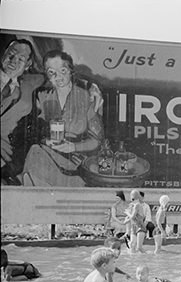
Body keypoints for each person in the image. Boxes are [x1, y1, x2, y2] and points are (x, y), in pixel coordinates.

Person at [22, 49, 104, 187]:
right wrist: (46, 141)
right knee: (35, 152)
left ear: (71, 70)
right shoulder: (41, 95)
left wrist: (73, 147)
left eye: (63, 70)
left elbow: (97, 141)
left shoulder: (87, 96)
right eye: (51, 72)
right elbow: (32, 130)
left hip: (76, 159)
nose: (57, 77)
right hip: (47, 154)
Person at [1, 39, 45, 185]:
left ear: (28, 65)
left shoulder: (29, 83)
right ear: (4, 54)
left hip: (7, 158)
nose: (13, 61)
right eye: (11, 55)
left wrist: (90, 85)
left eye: (21, 59)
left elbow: (59, 78)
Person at [124, 189, 146, 253]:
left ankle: (148, 257)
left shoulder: (137, 205)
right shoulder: (132, 205)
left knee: (139, 248)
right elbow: (131, 217)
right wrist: (127, 220)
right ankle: (133, 260)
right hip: (134, 227)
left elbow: (132, 216)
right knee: (132, 246)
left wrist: (127, 213)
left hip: (140, 227)